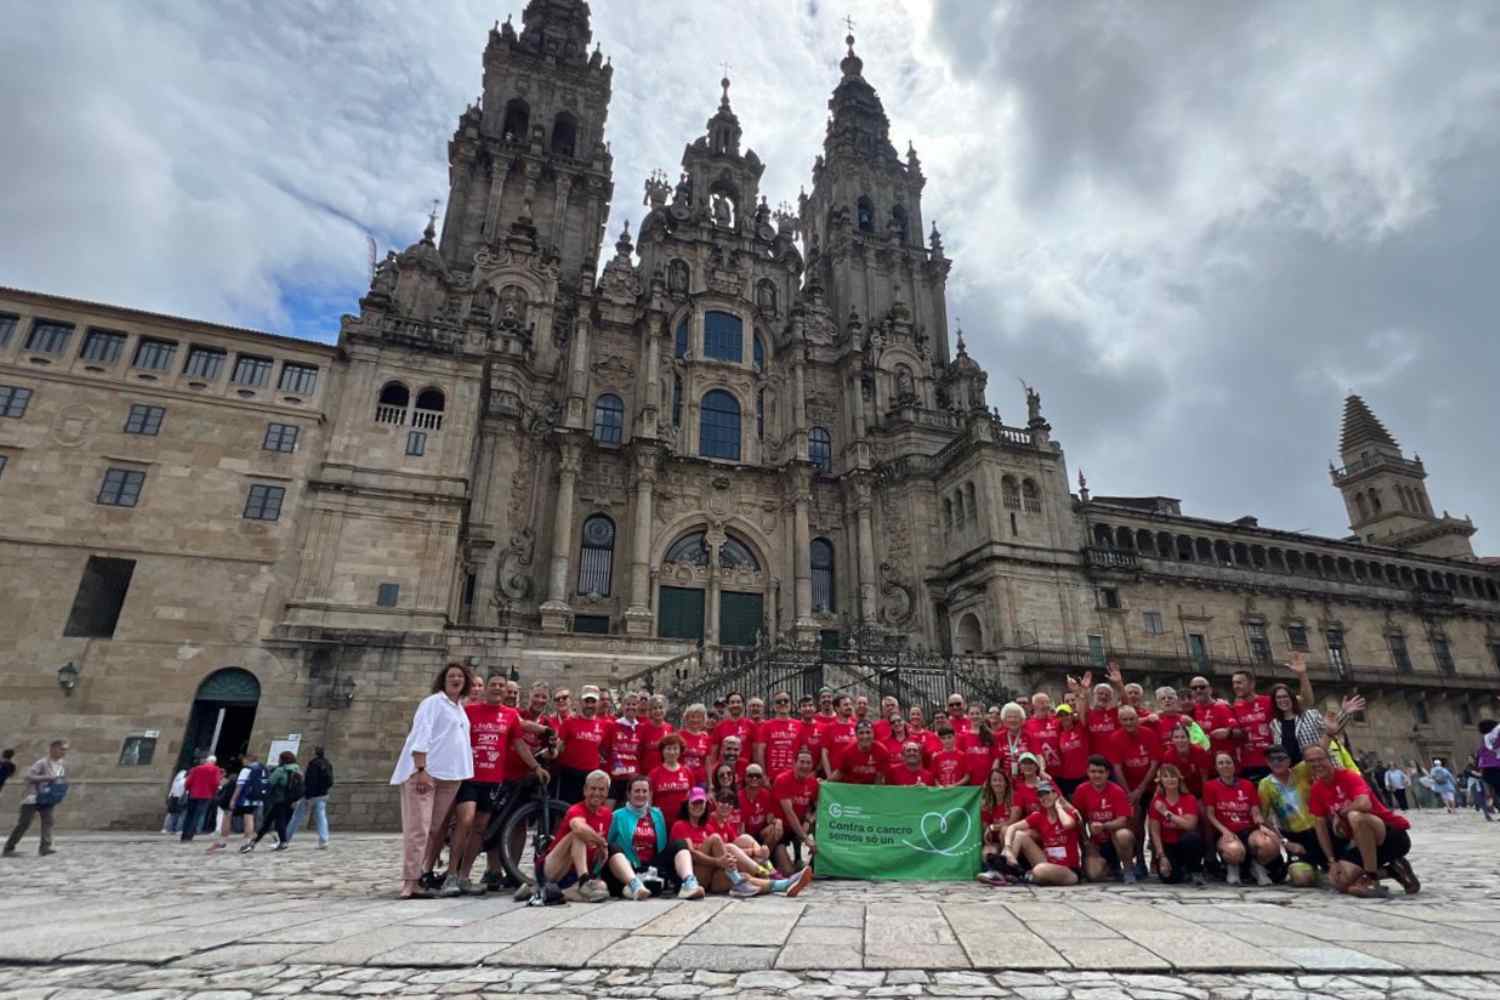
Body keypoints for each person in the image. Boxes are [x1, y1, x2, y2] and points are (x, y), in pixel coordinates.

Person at [445, 672, 548, 895]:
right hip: (469, 776)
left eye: (502, 685)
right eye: (494, 685)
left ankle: (464, 876)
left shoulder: (510, 715)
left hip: (493, 780)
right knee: (466, 821)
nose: (498, 688)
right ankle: (451, 874)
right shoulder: (470, 711)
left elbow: (519, 743)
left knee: (480, 827)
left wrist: (535, 767)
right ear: (485, 688)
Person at [390, 662, 474, 899]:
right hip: (426, 774)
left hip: (451, 777)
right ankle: (409, 882)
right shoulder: (433, 703)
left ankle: (419, 876)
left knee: (433, 830)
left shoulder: (459, 708)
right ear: (443, 680)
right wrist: (421, 768)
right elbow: (421, 734)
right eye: (451, 676)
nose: (456, 679)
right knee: (418, 828)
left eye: (460, 676)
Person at [1306, 743, 1418, 898]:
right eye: (1311, 761)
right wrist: (1331, 861)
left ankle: (1371, 877)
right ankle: (1394, 870)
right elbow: (1320, 826)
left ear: (1329, 759)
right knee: (1339, 881)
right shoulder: (1316, 789)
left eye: (1320, 759)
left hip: (1389, 835)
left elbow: (1364, 804)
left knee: (1356, 816)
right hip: (1362, 843)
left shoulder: (1348, 776)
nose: (1316, 764)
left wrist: (1342, 813)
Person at [1202, 751, 1281, 886]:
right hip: (1227, 830)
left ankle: (1256, 865)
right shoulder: (1210, 786)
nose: (1225, 766)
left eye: (1228, 762)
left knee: (1268, 844)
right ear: (1216, 767)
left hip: (1248, 828)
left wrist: (1260, 824)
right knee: (1233, 851)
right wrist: (1224, 831)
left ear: (1234, 765)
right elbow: (1210, 814)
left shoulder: (1247, 785)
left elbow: (1255, 810)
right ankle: (1233, 867)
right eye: (1220, 763)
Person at [540, 769, 611, 902]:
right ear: (585, 790)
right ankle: (583, 882)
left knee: (602, 887)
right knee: (577, 835)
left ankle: (549, 892)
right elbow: (579, 828)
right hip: (555, 868)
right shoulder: (576, 809)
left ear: (607, 792)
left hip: (574, 875)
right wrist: (600, 842)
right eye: (593, 788)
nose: (597, 793)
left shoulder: (607, 814)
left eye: (601, 789)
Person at [1257, 746, 1323, 885]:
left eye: (1281, 758)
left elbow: (1317, 752)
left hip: (1319, 831)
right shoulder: (1265, 785)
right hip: (1294, 836)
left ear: (1289, 760)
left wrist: (1329, 733)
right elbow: (1263, 818)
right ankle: (1309, 870)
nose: (1276, 762)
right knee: (1301, 879)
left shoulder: (1301, 771)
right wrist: (1286, 843)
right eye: (1271, 759)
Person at [604, 774, 673, 899]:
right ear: (628, 794)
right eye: (637, 791)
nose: (641, 795)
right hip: (627, 867)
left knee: (680, 845)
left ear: (650, 794)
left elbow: (662, 845)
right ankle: (633, 884)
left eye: (644, 791)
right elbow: (607, 845)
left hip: (651, 869)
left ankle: (689, 882)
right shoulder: (617, 816)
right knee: (612, 847)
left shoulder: (657, 814)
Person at [1072, 755, 1138, 883]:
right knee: (1094, 876)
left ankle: (1128, 870)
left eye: (1100, 772)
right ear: (1087, 773)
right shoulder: (1081, 790)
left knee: (1123, 835)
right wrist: (1086, 843)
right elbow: (1079, 820)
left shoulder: (1117, 791)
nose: (1097, 775)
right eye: (1093, 772)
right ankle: (1110, 868)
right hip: (1097, 842)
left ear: (1107, 773)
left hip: (1116, 839)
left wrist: (1104, 826)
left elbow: (1123, 820)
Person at [1006, 780, 1081, 886]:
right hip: (1048, 862)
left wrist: (1059, 807)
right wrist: (1008, 849)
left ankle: (1027, 876)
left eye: (1047, 793)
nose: (1044, 798)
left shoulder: (1068, 813)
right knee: (1020, 835)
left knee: (1039, 869)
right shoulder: (1039, 816)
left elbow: (1068, 825)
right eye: (1040, 795)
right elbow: (1012, 827)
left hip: (1068, 870)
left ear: (1055, 794)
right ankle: (1008, 870)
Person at [3, 740, 68, 857]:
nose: (64, 752)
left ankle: (45, 847)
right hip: (33, 798)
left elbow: (57, 779)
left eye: (65, 750)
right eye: (61, 749)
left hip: (48, 798)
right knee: (24, 823)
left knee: (48, 821)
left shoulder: (60, 764)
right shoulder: (42, 763)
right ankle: (9, 848)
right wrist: (47, 777)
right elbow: (29, 777)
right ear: (53, 749)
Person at [1147, 764, 1204, 886]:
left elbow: (1190, 825)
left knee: (1192, 838)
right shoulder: (1156, 802)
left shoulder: (1189, 799)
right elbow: (1155, 832)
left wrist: (1166, 813)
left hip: (1184, 843)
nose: (1170, 779)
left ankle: (1195, 870)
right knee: (1169, 878)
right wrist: (1161, 856)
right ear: (1160, 781)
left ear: (1179, 779)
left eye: (1173, 776)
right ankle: (1180, 870)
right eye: (1166, 777)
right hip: (1167, 845)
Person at [555, 685, 609, 804]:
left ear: (598, 703)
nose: (589, 705)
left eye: (593, 701)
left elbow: (605, 750)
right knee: (565, 810)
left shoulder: (604, 725)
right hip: (569, 774)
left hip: (591, 776)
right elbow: (558, 747)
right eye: (586, 701)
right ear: (580, 702)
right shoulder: (569, 722)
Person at [771, 747, 820, 873]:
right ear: (794, 763)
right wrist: (806, 839)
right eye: (802, 762)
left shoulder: (813, 783)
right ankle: (773, 859)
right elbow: (789, 813)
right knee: (788, 872)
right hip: (782, 829)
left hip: (800, 826)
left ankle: (815, 863)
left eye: (808, 763)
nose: (805, 766)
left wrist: (809, 819)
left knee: (819, 823)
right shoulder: (782, 780)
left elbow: (817, 807)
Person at [244, 751, 301, 852]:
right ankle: (255, 842)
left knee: (273, 822)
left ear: (282, 759)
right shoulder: (298, 769)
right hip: (292, 800)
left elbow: (271, 782)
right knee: (274, 821)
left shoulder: (280, 770)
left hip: (279, 799)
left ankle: (281, 842)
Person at [976, 763, 1020, 882]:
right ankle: (995, 873)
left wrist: (993, 827)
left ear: (1006, 783)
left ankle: (1007, 872)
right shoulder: (986, 804)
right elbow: (986, 830)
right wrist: (988, 835)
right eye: (994, 780)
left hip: (1012, 840)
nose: (997, 783)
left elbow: (1013, 821)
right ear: (990, 783)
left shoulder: (1015, 798)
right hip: (996, 841)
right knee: (987, 852)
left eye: (1000, 780)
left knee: (1005, 830)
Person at [1229, 670, 1275, 783]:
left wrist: (1302, 675)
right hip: (1247, 765)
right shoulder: (1234, 708)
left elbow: (1305, 701)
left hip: (1272, 761)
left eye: (1239, 682)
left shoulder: (1269, 701)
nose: (1236, 686)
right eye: (1234, 683)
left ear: (1252, 684)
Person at [286, 747, 334, 848]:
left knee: (297, 817)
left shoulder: (313, 763)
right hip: (323, 794)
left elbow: (310, 780)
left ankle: (285, 839)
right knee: (321, 817)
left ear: (314, 753)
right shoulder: (327, 763)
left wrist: (308, 796)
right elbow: (330, 780)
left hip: (311, 795)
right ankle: (324, 840)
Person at [603, 692, 642, 806]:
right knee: (608, 812)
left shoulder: (641, 728)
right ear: (622, 706)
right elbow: (603, 749)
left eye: (634, 704)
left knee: (631, 812)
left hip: (632, 779)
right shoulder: (613, 726)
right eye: (628, 704)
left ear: (638, 706)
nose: (631, 707)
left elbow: (641, 753)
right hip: (614, 778)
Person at [755, 690, 805, 780]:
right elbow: (760, 752)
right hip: (772, 777)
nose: (783, 703)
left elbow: (803, 751)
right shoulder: (766, 725)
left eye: (786, 701)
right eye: (778, 702)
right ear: (774, 706)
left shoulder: (799, 725)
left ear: (791, 704)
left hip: (794, 776)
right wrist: (764, 776)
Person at [223, 752, 268, 851]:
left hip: (245, 797)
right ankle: (247, 842)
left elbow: (240, 786)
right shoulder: (262, 768)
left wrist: (233, 799)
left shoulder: (247, 769)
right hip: (257, 798)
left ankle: (223, 840)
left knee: (228, 814)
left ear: (247, 759)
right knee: (249, 817)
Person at [1188, 676, 1236, 763]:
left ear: (1210, 690)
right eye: (1194, 688)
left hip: (1224, 762)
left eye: (1202, 687)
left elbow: (1240, 732)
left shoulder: (1222, 707)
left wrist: (1228, 733)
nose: (1198, 690)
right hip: (1204, 762)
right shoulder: (1192, 710)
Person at [649, 734, 693, 825]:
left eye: (675, 748)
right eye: (668, 748)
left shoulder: (687, 771)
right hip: (660, 821)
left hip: (683, 821)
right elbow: (649, 800)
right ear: (662, 751)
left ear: (680, 750)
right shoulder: (654, 774)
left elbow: (692, 796)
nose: (672, 752)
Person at [180, 755, 222, 843]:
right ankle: (189, 836)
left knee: (189, 815)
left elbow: (188, 782)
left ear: (206, 761)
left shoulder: (196, 768)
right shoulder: (215, 770)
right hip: (206, 795)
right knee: (197, 815)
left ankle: (184, 835)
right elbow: (215, 783)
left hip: (193, 794)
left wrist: (188, 789)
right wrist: (213, 793)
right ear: (214, 762)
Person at [831, 719, 888, 784]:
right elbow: (839, 773)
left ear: (873, 734)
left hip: (871, 788)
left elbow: (879, 778)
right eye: (861, 733)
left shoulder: (882, 751)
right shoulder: (847, 752)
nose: (865, 736)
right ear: (856, 735)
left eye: (868, 732)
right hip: (852, 787)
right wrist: (825, 783)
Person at [1052, 702, 1089, 798]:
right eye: (1061, 716)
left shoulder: (1080, 728)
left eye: (1066, 714)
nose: (1064, 718)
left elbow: (1083, 712)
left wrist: (1080, 695)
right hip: (1066, 777)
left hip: (1084, 775)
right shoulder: (1058, 734)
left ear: (1072, 715)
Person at [678, 703, 713, 787]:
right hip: (683, 778)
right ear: (686, 719)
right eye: (692, 717)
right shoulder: (679, 735)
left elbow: (707, 763)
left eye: (698, 717)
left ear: (703, 720)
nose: (695, 720)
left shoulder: (706, 737)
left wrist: (710, 783)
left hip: (700, 780)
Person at [637, 694, 674, 774]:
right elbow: (638, 752)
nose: (658, 711)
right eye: (654, 708)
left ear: (665, 709)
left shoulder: (669, 728)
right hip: (646, 772)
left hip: (664, 772)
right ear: (650, 711)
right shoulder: (642, 727)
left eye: (661, 707)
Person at [162, 767, 189, 835]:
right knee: (181, 815)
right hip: (181, 799)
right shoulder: (185, 781)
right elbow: (185, 791)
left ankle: (168, 828)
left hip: (174, 798)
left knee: (172, 814)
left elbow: (172, 791)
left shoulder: (176, 782)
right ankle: (178, 829)